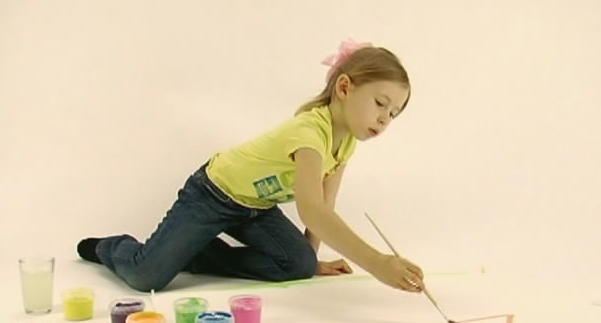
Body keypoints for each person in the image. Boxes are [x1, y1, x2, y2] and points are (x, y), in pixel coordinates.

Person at [77, 38, 425, 294]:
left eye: (394, 113)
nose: (385, 118)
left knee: (298, 265)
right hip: (212, 195)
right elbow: (313, 210)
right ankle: (110, 247)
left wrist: (310, 261)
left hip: (256, 208)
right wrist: (378, 263)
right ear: (345, 88)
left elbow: (325, 204)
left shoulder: (346, 142)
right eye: (380, 103)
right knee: (145, 277)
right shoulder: (309, 132)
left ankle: (193, 253)